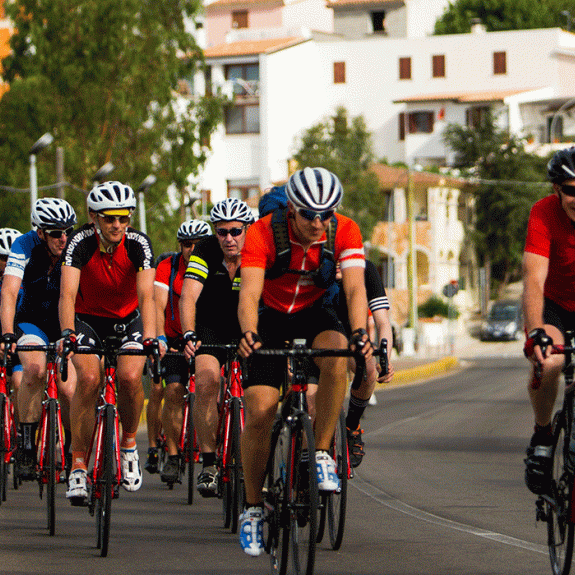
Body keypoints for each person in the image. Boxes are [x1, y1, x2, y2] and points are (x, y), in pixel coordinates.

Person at [237, 167, 372, 556]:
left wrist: (361, 332)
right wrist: (249, 332)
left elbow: (355, 288)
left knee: (338, 352)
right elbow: (248, 294)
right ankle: (251, 507)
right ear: (292, 209)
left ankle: (322, 452)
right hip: (271, 315)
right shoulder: (263, 232)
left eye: (326, 214)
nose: (318, 223)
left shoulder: (345, 230)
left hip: (315, 312)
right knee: (260, 412)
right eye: (309, 214)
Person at [59, 181, 157, 504]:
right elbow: (68, 294)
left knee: (130, 377)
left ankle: (129, 445)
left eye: (123, 218)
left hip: (128, 318)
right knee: (87, 378)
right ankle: (77, 465)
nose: (117, 225)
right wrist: (68, 333)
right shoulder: (80, 242)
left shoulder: (139, 244)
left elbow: (146, 295)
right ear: (93, 218)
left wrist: (151, 337)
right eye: (109, 218)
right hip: (89, 319)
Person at [180, 197, 253, 496]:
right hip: (210, 326)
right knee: (207, 381)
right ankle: (209, 461)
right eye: (222, 232)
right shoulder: (206, 250)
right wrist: (187, 333)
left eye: (236, 231)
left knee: (259, 392)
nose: (229, 238)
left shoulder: (257, 251)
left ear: (246, 229)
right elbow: (188, 297)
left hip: (247, 327)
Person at [1, 200, 77, 479]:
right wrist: (8, 333)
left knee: (69, 390)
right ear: (40, 232)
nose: (63, 238)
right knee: (33, 370)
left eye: (67, 231)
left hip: (64, 322)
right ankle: (25, 446)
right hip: (31, 321)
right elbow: (9, 292)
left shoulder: (73, 247)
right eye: (56, 233)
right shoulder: (24, 245)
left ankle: (71, 450)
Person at [522, 146, 575, 495]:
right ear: (557, 189)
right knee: (551, 361)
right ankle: (542, 435)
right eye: (571, 189)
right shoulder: (542, 213)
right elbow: (533, 280)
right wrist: (536, 331)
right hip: (554, 304)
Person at [148, 219, 212, 483]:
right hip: (175, 338)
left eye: (198, 244)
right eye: (187, 244)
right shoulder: (167, 267)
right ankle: (173, 456)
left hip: (207, 337)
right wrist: (161, 337)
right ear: (179, 245)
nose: (192, 249)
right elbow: (158, 304)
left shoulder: (215, 265)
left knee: (214, 388)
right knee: (172, 391)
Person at [328, 259, 395, 467]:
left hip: (353, 334)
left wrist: (385, 359)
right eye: (333, 257)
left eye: (343, 257)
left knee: (368, 369)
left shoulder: (367, 270)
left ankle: (352, 426)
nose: (337, 263)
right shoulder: (315, 266)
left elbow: (383, 322)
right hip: (319, 334)